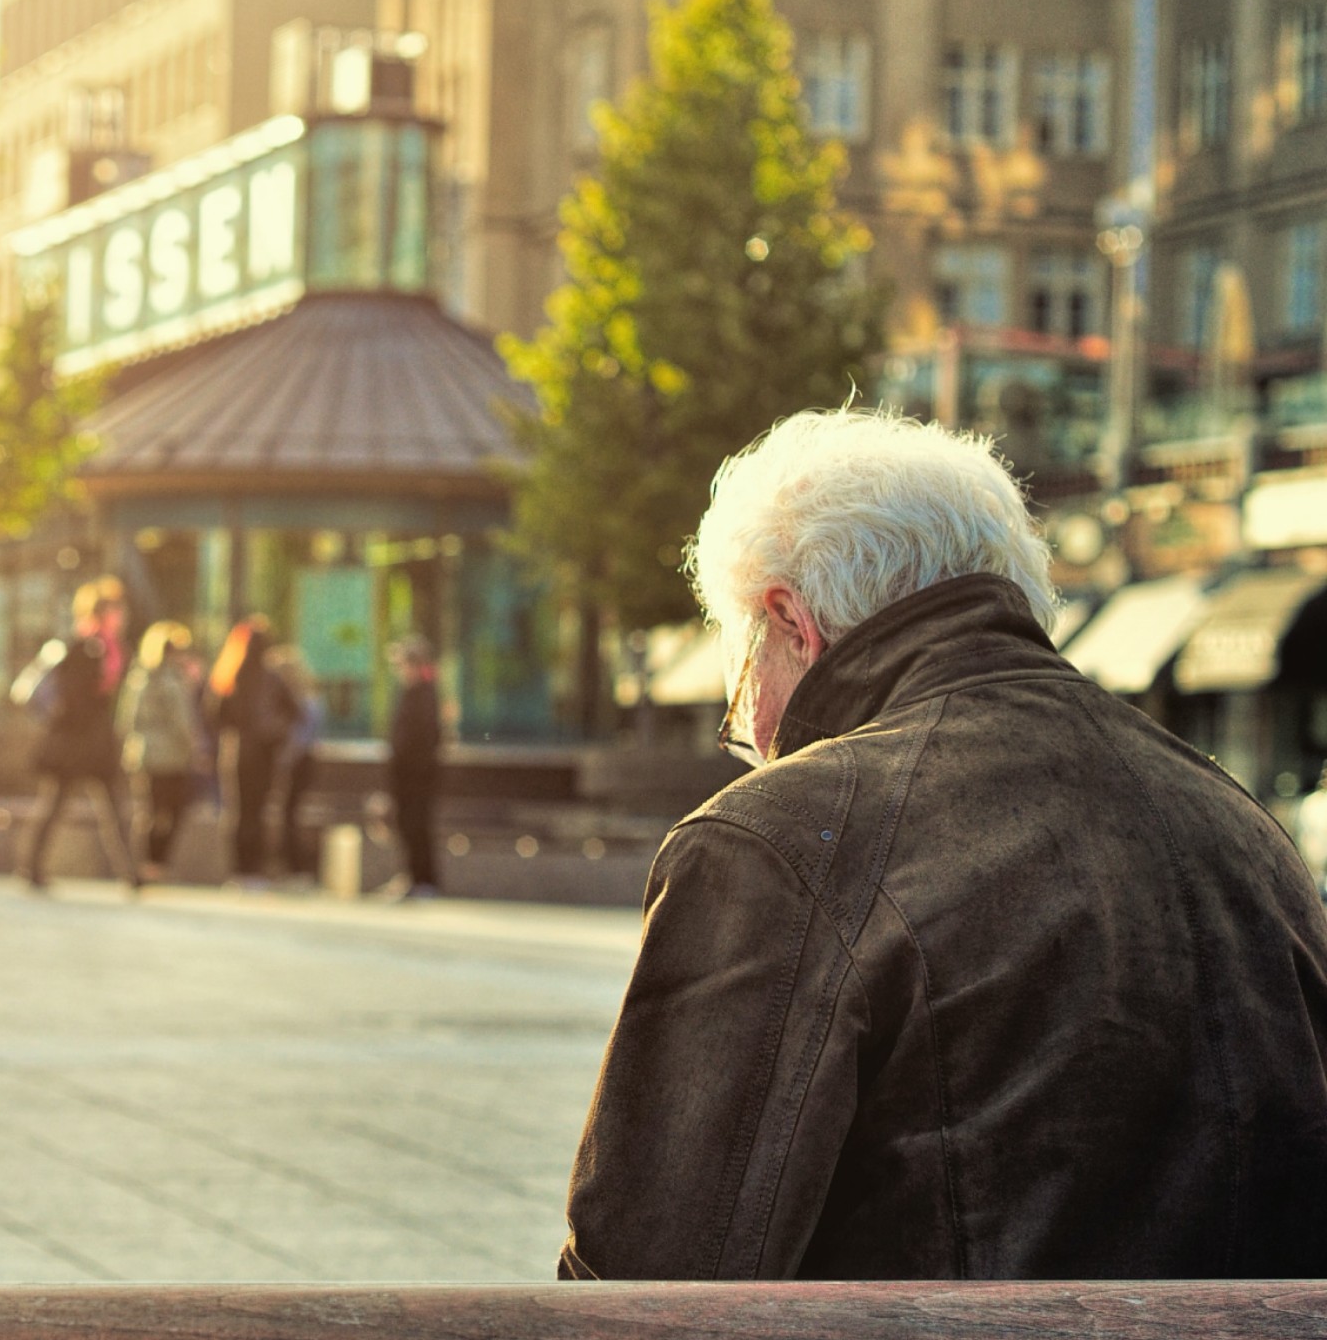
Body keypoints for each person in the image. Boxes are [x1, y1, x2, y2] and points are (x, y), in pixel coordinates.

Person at [560, 409, 1327, 1281]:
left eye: (741, 689)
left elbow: (646, 1284)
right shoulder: (1242, 825)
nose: (755, 738)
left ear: (791, 623)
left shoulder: (779, 840)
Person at [17, 628, 140, 894]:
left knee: (63, 808)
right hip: (86, 748)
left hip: (77, 748)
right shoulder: (86, 659)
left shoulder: (72, 660)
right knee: (108, 811)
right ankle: (130, 872)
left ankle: (32, 866)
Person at [207, 618, 298, 886]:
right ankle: (253, 870)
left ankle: (240, 869)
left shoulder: (230, 674)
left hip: (238, 752)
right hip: (262, 753)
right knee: (256, 811)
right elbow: (295, 712)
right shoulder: (270, 678)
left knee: (240, 811)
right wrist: (274, 731)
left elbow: (214, 715)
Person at [117, 620, 201, 882]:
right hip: (171, 756)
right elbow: (182, 723)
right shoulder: (171, 680)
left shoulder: (138, 677)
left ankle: (144, 864)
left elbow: (124, 720)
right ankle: (156, 863)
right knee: (171, 810)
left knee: (150, 809)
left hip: (142, 753)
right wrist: (196, 748)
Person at [386, 636, 443, 899]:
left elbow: (424, 738)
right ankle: (413, 876)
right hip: (406, 772)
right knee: (407, 825)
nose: (400, 671)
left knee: (416, 824)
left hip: (417, 774)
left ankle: (423, 879)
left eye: (403, 664)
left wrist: (412, 766)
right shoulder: (410, 693)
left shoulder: (424, 694)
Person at [268, 646, 323, 880]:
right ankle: (291, 866)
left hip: (298, 762)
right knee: (289, 813)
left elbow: (301, 738)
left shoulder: (303, 702)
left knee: (290, 813)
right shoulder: (308, 699)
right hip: (300, 761)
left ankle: (296, 866)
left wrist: (282, 762)